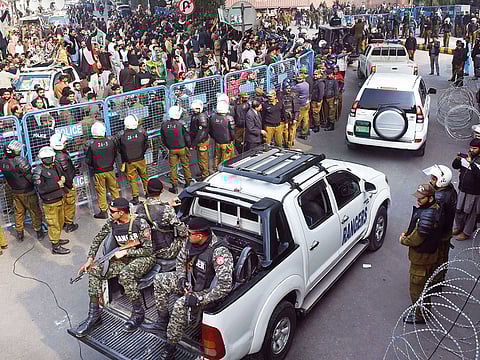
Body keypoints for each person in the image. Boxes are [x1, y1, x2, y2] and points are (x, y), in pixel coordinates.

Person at [149, 217, 233, 359]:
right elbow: (181, 260)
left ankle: (170, 346)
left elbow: (225, 286)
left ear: (200, 236)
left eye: (189, 233)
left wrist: (199, 299)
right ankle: (163, 320)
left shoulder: (219, 252)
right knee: (159, 279)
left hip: (207, 291)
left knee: (180, 304)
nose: (186, 235)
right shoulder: (191, 242)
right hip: (191, 282)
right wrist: (182, 278)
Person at [73, 197, 155, 337]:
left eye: (112, 211)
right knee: (94, 271)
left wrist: (127, 251)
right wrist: (90, 259)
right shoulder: (112, 222)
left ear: (122, 212)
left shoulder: (139, 223)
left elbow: (149, 250)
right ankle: (94, 315)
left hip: (143, 258)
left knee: (125, 274)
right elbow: (98, 238)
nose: (110, 213)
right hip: (123, 258)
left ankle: (138, 313)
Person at [400, 183, 443, 324]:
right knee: (426, 285)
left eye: (421, 198)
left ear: (430, 198)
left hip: (421, 258)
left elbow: (417, 239)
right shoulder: (433, 209)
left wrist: (404, 239)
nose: (418, 200)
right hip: (430, 255)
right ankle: (425, 309)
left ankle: (419, 315)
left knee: (417, 288)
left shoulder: (428, 216)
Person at [0, 140, 45, 241]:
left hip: (15, 191)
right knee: (35, 211)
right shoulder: (20, 161)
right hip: (27, 191)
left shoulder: (2, 163)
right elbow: (30, 177)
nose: (19, 150)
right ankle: (39, 232)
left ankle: (19, 233)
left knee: (19, 213)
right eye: (16, 149)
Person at [423, 165, 457, 286]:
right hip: (446, 230)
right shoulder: (450, 189)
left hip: (440, 234)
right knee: (442, 256)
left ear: (441, 181)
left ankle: (436, 282)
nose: (431, 181)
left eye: (433, 178)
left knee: (438, 258)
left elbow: (435, 221)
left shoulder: (440, 198)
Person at [33, 146, 70, 255]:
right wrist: (57, 185)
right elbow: (41, 189)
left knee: (59, 222)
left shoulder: (55, 167)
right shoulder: (39, 171)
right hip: (50, 203)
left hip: (59, 198)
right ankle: (55, 246)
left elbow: (62, 175)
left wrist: (62, 179)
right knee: (53, 223)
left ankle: (57, 239)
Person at [84, 121, 120, 219]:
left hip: (98, 171)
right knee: (114, 188)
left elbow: (88, 160)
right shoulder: (111, 141)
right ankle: (119, 207)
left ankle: (103, 211)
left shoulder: (91, 144)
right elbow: (115, 154)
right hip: (110, 169)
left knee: (101, 191)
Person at [451, 138, 480, 241]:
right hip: (462, 189)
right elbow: (455, 166)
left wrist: (471, 163)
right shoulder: (467, 156)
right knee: (458, 210)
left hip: (474, 192)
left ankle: (466, 232)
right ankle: (459, 227)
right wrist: (458, 159)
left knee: (470, 212)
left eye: (475, 148)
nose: (472, 150)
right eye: (471, 148)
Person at [50, 133, 79, 233]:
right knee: (70, 204)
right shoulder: (62, 157)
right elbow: (67, 173)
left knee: (63, 205)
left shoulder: (52, 155)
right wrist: (69, 185)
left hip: (60, 186)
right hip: (67, 185)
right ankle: (69, 224)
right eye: (64, 142)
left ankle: (63, 223)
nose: (66, 143)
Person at [117, 115, 149, 205]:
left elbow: (119, 148)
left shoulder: (121, 135)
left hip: (129, 161)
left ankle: (135, 197)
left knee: (132, 179)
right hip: (141, 158)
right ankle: (148, 193)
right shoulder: (142, 132)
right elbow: (146, 145)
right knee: (144, 176)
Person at [161, 106, 192, 194]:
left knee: (173, 168)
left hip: (172, 149)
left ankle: (174, 186)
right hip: (182, 148)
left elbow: (163, 138)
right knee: (185, 165)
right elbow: (187, 137)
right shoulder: (181, 124)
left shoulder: (164, 125)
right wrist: (189, 146)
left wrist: (168, 146)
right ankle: (188, 183)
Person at [209, 101, 235, 169]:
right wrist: (232, 139)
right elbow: (232, 132)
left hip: (217, 142)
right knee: (226, 159)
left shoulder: (212, 117)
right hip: (227, 143)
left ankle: (215, 170)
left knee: (217, 157)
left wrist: (215, 138)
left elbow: (210, 130)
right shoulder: (229, 118)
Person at [189, 100, 210, 181]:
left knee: (202, 159)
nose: (195, 110)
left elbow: (201, 133)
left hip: (201, 141)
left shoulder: (201, 117)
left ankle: (205, 175)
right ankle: (203, 172)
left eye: (196, 109)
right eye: (194, 109)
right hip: (198, 140)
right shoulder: (195, 115)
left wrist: (193, 143)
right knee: (200, 159)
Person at [280, 79, 299, 148]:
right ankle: (286, 143)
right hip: (284, 117)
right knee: (285, 131)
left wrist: (295, 118)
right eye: (286, 88)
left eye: (289, 88)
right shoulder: (280, 95)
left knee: (292, 131)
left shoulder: (293, 95)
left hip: (292, 116)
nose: (288, 90)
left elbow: (296, 108)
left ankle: (290, 143)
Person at [295, 73, 311, 140]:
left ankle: (293, 133)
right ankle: (305, 133)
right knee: (305, 119)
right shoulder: (306, 84)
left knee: (298, 119)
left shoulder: (298, 86)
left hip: (301, 105)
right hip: (307, 103)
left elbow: (293, 90)